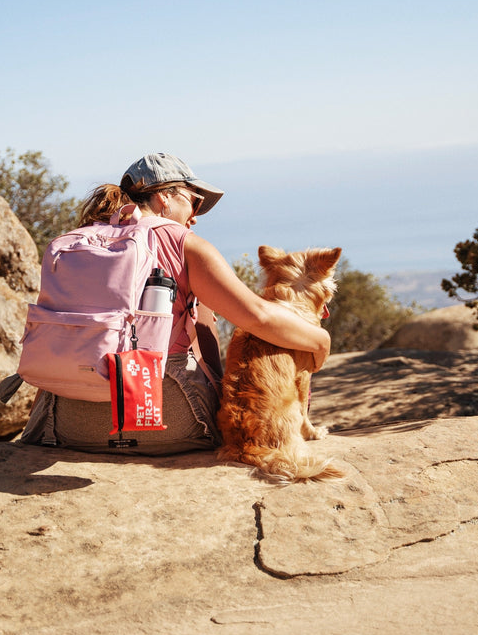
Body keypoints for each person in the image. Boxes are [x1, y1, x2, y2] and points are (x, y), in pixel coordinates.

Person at [20, 152, 331, 454]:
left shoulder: (75, 241)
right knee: (204, 305)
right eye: (194, 201)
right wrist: (319, 341)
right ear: (164, 198)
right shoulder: (183, 243)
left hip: (66, 424)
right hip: (166, 423)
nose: (195, 216)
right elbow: (259, 318)